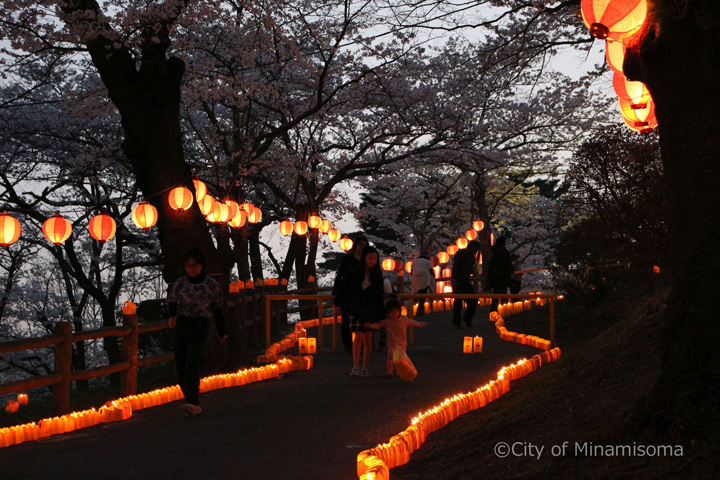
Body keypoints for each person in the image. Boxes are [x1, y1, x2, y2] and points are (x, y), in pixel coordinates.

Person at [167, 247, 227, 417]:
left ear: (201, 265)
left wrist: (222, 332)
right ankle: (191, 399)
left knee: (191, 363)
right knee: (180, 364)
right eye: (188, 266)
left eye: (194, 265)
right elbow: (172, 301)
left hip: (200, 324)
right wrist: (172, 316)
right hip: (182, 324)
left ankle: (192, 402)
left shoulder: (211, 285)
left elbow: (217, 309)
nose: (191, 269)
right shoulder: (180, 283)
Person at [340, 245, 385, 378]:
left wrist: (381, 315)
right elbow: (345, 288)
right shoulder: (354, 272)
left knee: (368, 339)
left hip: (371, 310)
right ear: (364, 258)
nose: (372, 260)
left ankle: (364, 366)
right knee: (357, 337)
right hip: (356, 309)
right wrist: (340, 303)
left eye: (375, 258)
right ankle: (355, 365)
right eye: (370, 257)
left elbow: (380, 296)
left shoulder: (377, 275)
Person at [366, 299, 428, 378]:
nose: (394, 314)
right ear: (387, 312)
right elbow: (379, 325)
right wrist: (371, 326)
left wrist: (420, 324)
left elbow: (412, 322)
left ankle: (400, 371)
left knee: (401, 359)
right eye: (391, 312)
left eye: (396, 311)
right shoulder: (387, 321)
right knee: (390, 357)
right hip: (392, 343)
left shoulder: (403, 320)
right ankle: (390, 372)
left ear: (399, 311)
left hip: (402, 343)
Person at [332, 236, 368, 352]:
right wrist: (336, 292)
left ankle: (363, 343)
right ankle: (347, 343)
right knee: (346, 318)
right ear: (355, 246)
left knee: (363, 318)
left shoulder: (368, 259)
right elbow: (340, 275)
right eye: (360, 245)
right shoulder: (348, 259)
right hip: (348, 292)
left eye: (364, 245)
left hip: (363, 293)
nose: (362, 248)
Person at [451, 240, 482, 328]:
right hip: (459, 280)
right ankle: (457, 321)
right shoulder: (460, 254)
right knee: (458, 302)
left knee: (473, 301)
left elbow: (471, 267)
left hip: (467, 280)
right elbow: (455, 266)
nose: (475, 252)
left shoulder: (472, 257)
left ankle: (467, 317)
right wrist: (454, 278)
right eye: (475, 250)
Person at [486, 236, 515, 311]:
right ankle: (504, 309)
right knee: (503, 293)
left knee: (495, 293)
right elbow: (508, 263)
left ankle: (493, 309)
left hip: (495, 276)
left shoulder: (494, 252)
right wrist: (511, 272)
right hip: (503, 276)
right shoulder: (504, 252)